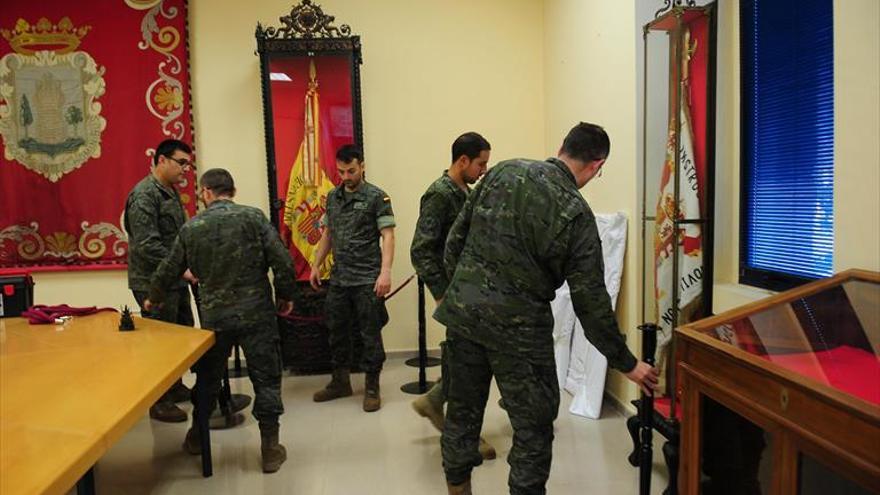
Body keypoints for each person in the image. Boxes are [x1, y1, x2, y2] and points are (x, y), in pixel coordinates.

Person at [435, 123, 660, 495]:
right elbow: (591, 305)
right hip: (521, 333)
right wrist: (628, 363)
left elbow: (454, 242)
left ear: (562, 147)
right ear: (596, 165)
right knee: (533, 428)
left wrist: (464, 294)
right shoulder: (576, 213)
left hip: (465, 320)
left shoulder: (502, 172)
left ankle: (458, 490)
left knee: (461, 415)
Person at [145, 168, 298, 473]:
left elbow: (169, 266)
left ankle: (197, 437)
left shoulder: (192, 227)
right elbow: (281, 259)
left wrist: (153, 297)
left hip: (215, 318)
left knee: (208, 379)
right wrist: (285, 293)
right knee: (266, 379)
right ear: (233, 190)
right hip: (257, 314)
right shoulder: (253, 218)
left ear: (205, 192)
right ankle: (269, 447)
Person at [410, 132, 495, 460]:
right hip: (457, 294)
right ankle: (464, 437)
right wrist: (441, 293)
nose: (484, 170)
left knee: (468, 361)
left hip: (472, 291)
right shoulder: (440, 195)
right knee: (468, 368)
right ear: (462, 161)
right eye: (480, 163)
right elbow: (421, 249)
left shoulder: (464, 192)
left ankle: (434, 401)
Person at [310, 144, 395, 412]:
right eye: (341, 171)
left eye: (351, 171)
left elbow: (388, 236)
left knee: (370, 334)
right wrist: (316, 264)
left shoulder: (377, 197)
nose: (346, 176)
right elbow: (328, 234)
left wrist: (385, 272)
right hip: (339, 279)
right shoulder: (333, 197)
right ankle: (340, 381)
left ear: (362, 166)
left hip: (367, 279)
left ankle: (372, 385)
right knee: (336, 330)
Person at [124, 138, 197, 423]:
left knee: (180, 335)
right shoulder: (144, 195)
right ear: (162, 160)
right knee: (160, 342)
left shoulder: (168, 192)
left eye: (188, 165)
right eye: (181, 163)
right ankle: (160, 401)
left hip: (174, 279)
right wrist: (181, 269)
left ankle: (175, 386)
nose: (186, 170)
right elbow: (147, 245)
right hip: (153, 281)